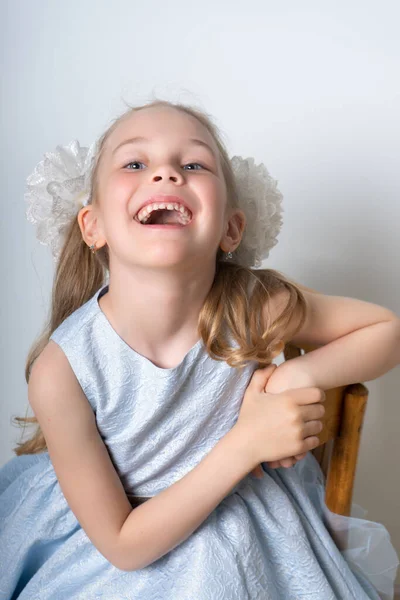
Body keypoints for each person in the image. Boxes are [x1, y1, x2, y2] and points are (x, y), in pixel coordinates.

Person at [0, 99, 398, 600]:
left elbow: (386, 330)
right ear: (93, 226)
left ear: (231, 228)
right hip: (119, 540)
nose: (166, 174)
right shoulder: (62, 371)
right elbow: (124, 547)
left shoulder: (251, 309)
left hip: (244, 518)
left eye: (193, 164)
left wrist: (292, 379)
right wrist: (248, 442)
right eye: (135, 164)